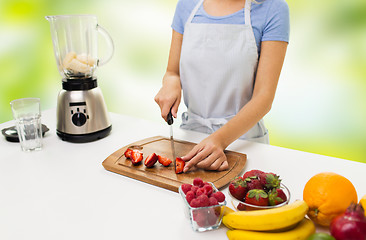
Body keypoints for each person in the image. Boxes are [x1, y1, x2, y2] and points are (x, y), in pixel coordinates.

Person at [154, 0, 289, 172]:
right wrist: (170, 84)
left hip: (243, 142)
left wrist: (219, 140)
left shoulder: (273, 8)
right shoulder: (187, 4)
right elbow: (172, 72)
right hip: (191, 138)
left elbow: (264, 97)